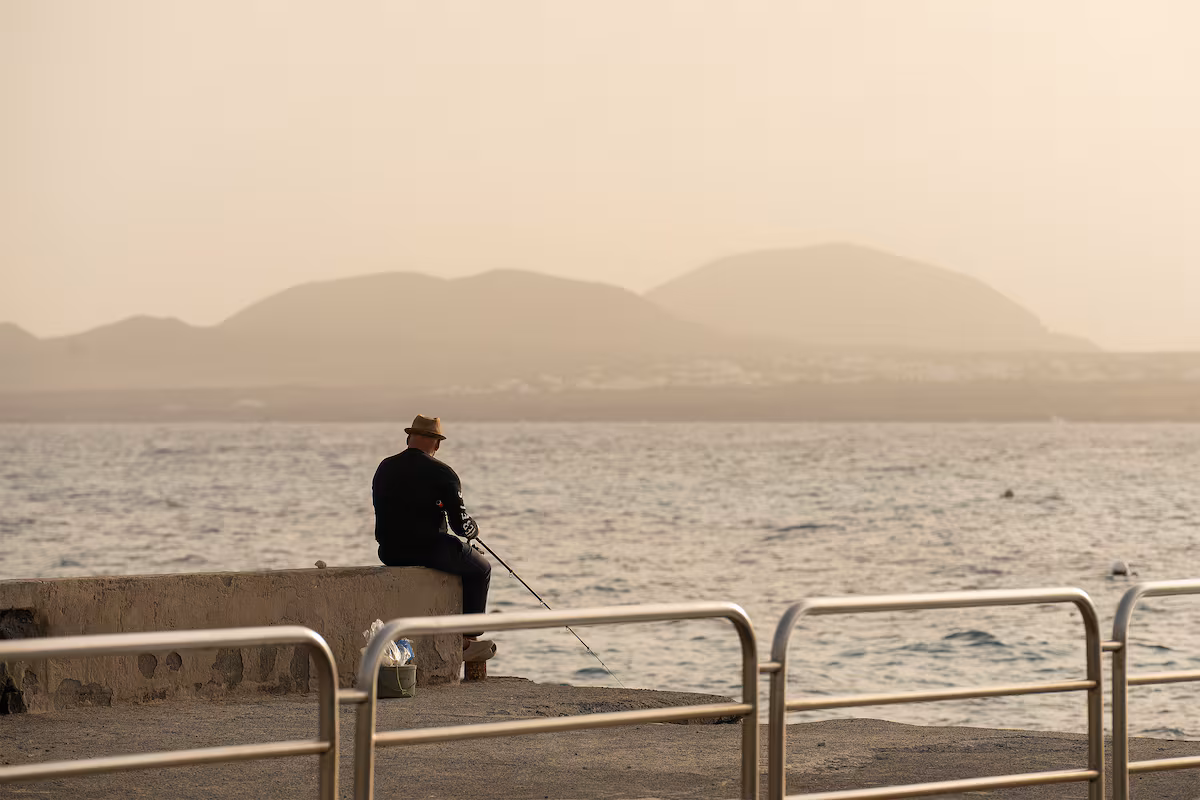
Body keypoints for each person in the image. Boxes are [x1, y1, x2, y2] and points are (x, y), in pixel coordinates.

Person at [372, 414, 492, 651]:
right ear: (436, 443)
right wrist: (475, 529)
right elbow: (461, 526)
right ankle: (469, 639)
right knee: (481, 569)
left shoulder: (385, 467)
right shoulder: (443, 473)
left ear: (409, 438)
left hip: (389, 551)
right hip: (428, 550)